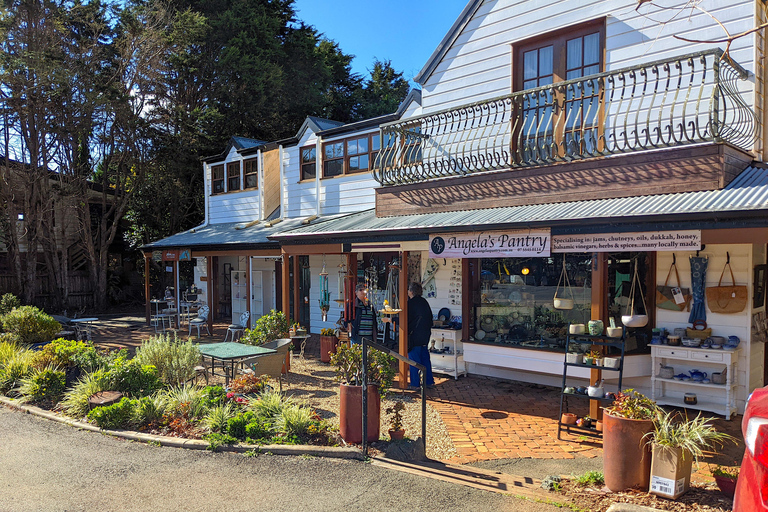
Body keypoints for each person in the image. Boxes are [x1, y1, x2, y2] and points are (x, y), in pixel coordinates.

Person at [407, 282, 434, 389]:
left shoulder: (411, 303)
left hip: (415, 335)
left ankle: (415, 384)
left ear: (411, 291)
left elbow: (406, 319)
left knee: (414, 360)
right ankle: (429, 381)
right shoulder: (424, 302)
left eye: (409, 289)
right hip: (425, 335)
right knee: (425, 359)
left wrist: (391, 320)